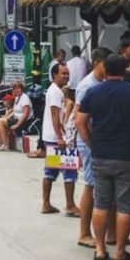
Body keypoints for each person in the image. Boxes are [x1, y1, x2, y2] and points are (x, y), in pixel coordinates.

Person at [75, 53, 130, 260]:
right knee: (125, 205)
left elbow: (80, 122)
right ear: (125, 70)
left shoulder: (93, 92)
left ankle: (99, 249)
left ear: (105, 70)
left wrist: (92, 144)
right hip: (128, 155)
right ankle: (120, 252)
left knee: (101, 202)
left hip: (101, 154)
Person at [73, 48, 110, 248]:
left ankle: (109, 233)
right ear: (96, 63)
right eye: (105, 65)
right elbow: (81, 120)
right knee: (90, 184)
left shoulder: (102, 83)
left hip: (98, 139)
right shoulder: (86, 85)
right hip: (88, 139)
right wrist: (91, 143)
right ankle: (84, 233)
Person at [40, 63, 78, 214]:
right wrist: (60, 137)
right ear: (54, 74)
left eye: (67, 73)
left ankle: (46, 203)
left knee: (51, 170)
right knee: (69, 170)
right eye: (63, 73)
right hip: (56, 138)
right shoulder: (55, 92)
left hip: (52, 136)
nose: (66, 76)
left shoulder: (57, 91)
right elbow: (55, 115)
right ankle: (70, 204)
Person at [0, 82, 31, 151]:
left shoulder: (25, 98)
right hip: (15, 118)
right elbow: (14, 111)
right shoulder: (17, 98)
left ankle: (5, 145)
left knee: (1, 121)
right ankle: (0, 143)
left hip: (23, 121)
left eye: (18, 88)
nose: (16, 90)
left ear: (22, 89)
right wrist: (6, 117)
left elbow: (25, 114)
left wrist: (17, 125)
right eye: (14, 89)